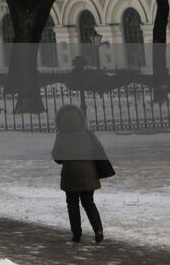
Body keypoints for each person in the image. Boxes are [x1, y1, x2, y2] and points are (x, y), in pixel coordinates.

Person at [52, 104, 108, 244]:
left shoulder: (61, 136)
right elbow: (98, 150)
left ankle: (77, 234)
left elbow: (57, 157)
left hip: (70, 175)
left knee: (72, 205)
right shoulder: (88, 133)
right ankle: (98, 229)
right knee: (89, 203)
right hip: (89, 174)